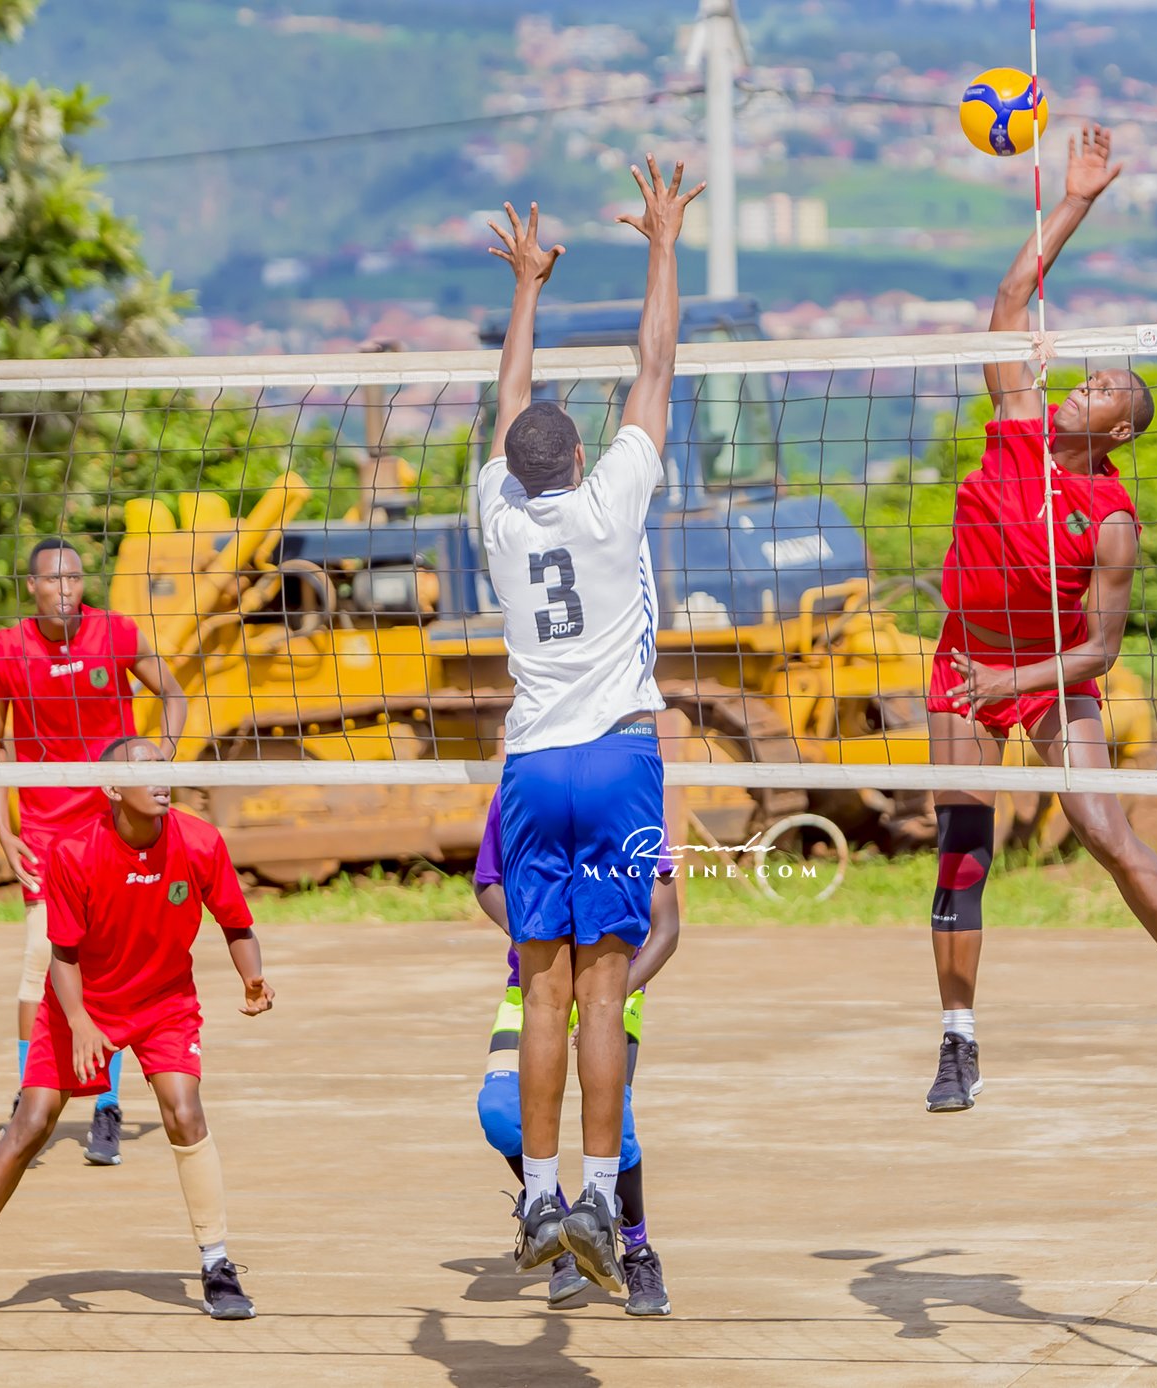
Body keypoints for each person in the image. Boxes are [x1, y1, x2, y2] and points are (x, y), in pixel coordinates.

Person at [922, 122, 1157, 1114]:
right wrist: (1075, 198)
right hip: (964, 666)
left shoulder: (1110, 519)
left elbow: (1101, 649)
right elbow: (1009, 299)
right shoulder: (1014, 428)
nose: (1085, 383)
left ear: (1118, 427)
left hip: (1046, 674)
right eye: (1089, 376)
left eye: (1104, 387)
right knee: (962, 848)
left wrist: (1016, 683)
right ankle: (957, 1041)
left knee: (1101, 826)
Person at [477, 155, 702, 1294]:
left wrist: (526, 287)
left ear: (514, 471)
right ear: (578, 456)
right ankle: (603, 1198)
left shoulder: (496, 513)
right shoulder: (614, 499)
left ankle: (536, 1196)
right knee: (606, 990)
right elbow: (654, 364)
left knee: (544, 988)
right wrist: (661, 244)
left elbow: (507, 399)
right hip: (617, 756)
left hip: (530, 765)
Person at [0, 737, 272, 1326]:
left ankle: (217, 1266)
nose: (160, 779)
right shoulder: (74, 851)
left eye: (164, 767)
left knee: (185, 1112)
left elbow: (236, 923)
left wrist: (252, 977)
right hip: (82, 1001)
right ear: (110, 787)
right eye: (143, 770)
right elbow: (63, 953)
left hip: (164, 1002)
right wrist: (78, 1020)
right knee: (31, 1123)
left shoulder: (200, 841)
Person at [0, 536, 188, 1164]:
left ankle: (106, 1106)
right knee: (40, 959)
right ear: (32, 586)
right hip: (44, 831)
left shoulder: (115, 633)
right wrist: (2, 828)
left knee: (106, 964)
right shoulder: (4, 651)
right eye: (52, 579)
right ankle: (29, 1098)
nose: (65, 589)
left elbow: (174, 694)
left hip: (111, 824)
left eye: (74, 578)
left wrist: (159, 759)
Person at [471, 791, 680, 1316]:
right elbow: (487, 882)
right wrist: (530, 934)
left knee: (615, 1124)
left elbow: (667, 927)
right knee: (500, 1113)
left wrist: (602, 1004)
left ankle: (637, 1250)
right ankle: (560, 1231)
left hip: (611, 992)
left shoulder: (628, 791)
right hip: (533, 989)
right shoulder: (520, 790)